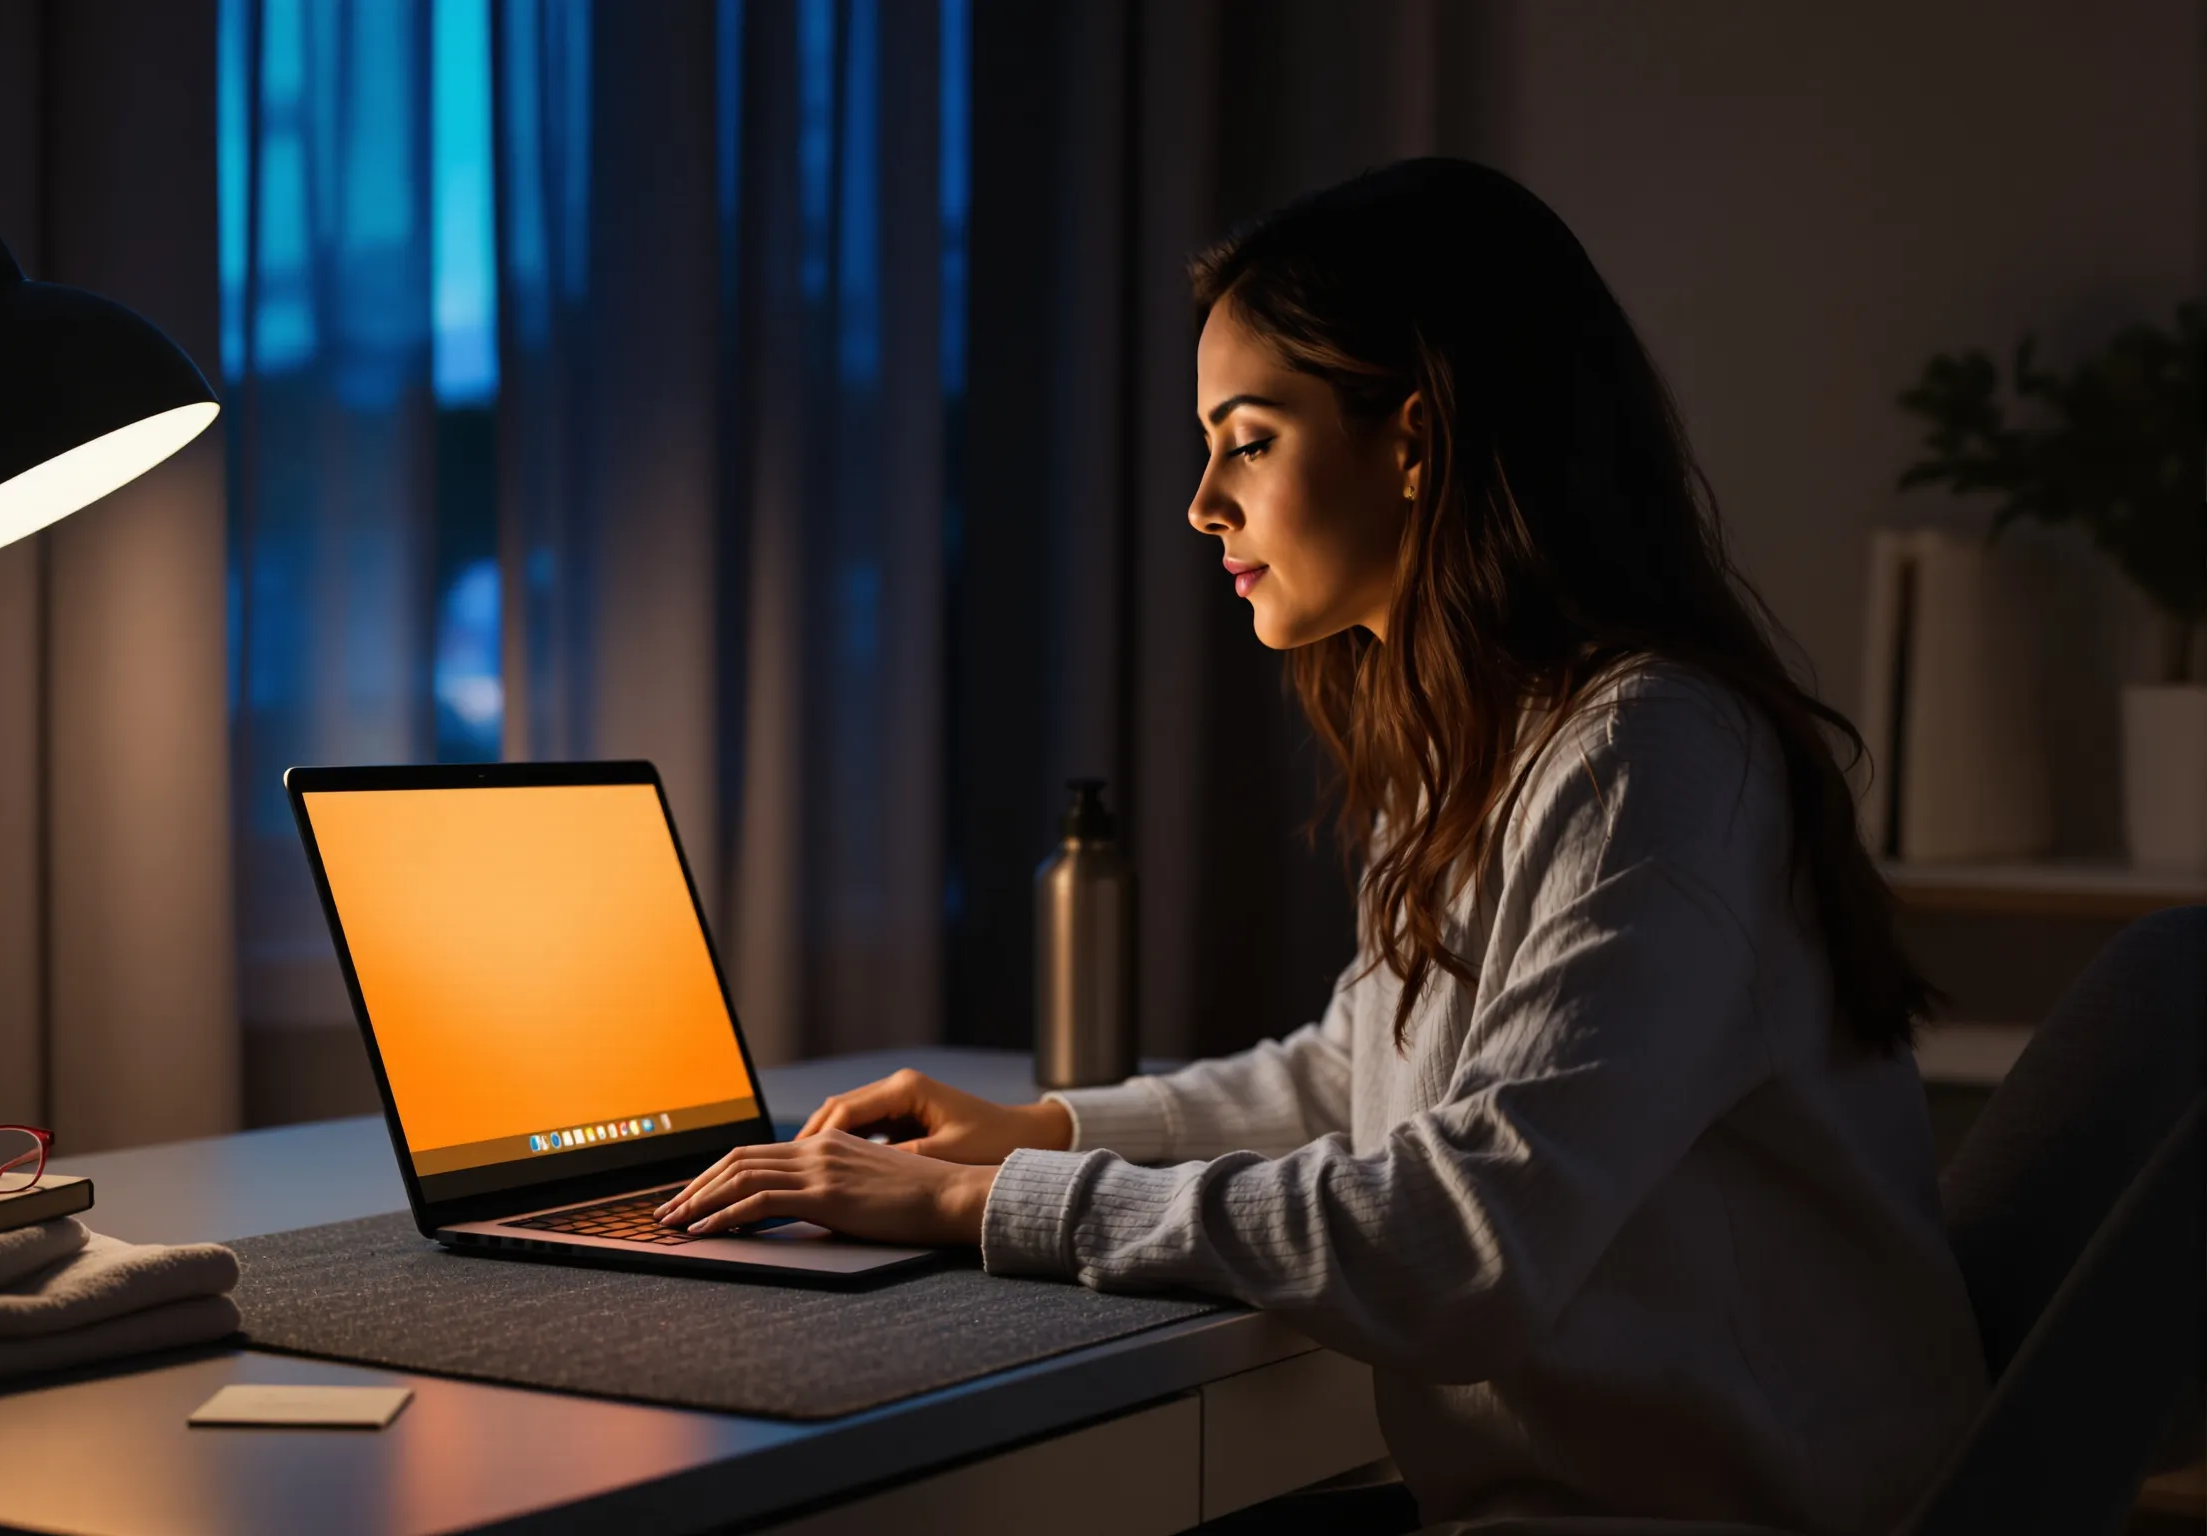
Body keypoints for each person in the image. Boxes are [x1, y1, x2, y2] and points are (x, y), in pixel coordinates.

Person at [654, 158, 1988, 1534]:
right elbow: (1358, 1071)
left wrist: (988, 1201)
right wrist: (1043, 1125)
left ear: (1414, 441)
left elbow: (1465, 1246)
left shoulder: (1650, 753)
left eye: (1249, 437)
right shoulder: (1483, 733)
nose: (1201, 504)